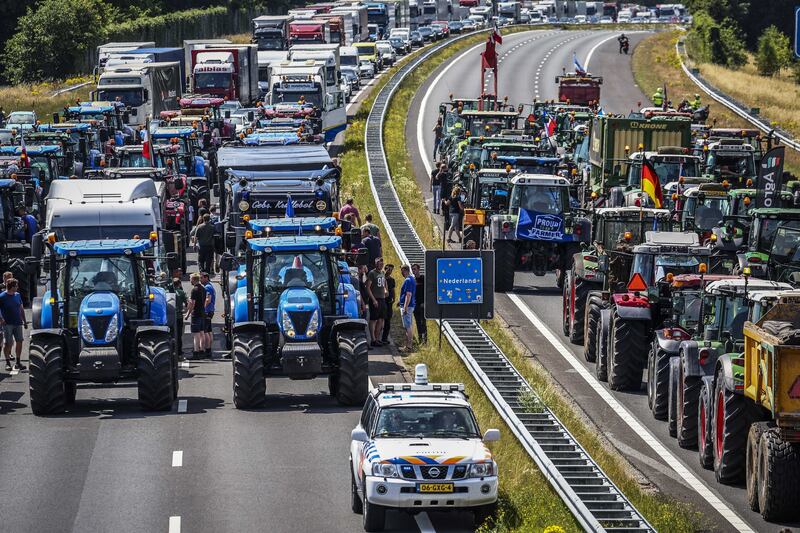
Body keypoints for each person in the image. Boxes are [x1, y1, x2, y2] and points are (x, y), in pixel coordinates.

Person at [0, 279, 27, 371]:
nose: (17, 287)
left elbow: (21, 308)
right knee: (8, 343)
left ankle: (18, 362)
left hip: (18, 322)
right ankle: (7, 363)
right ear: (11, 287)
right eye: (16, 286)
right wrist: (1, 319)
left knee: (19, 341)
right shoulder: (2, 296)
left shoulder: (17, 295)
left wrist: (25, 321)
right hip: (7, 324)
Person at [185, 273, 207, 359]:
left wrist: (187, 314)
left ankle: (196, 352)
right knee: (202, 333)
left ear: (193, 280)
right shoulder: (203, 289)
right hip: (202, 312)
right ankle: (202, 350)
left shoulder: (194, 290)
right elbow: (204, 301)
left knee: (196, 334)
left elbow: (192, 303)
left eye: (190, 279)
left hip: (196, 314)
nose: (190, 280)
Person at [366, 257, 386, 347]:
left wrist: (386, 290)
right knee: (373, 319)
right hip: (375, 298)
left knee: (381, 319)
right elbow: (368, 287)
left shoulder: (382, 273)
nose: (380, 265)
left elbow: (384, 284)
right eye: (379, 263)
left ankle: (377, 338)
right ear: (376, 263)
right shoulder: (372, 273)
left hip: (382, 298)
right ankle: (373, 339)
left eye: (382, 263)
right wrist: (373, 299)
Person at [167, 277, 187, 358]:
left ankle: (171, 351)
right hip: (179, 316)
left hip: (169, 316)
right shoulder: (181, 292)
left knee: (170, 334)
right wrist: (185, 311)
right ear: (179, 284)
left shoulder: (167, 292)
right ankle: (179, 352)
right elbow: (186, 303)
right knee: (179, 335)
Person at [398, 265, 416, 351]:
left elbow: (408, 295)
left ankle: (409, 346)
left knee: (407, 326)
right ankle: (408, 345)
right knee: (408, 325)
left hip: (407, 306)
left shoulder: (408, 280)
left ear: (405, 270)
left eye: (401, 270)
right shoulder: (412, 279)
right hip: (410, 305)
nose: (401, 272)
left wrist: (405, 307)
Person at [411, 264, 427, 344]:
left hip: (422, 304)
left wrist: (425, 302)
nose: (414, 271)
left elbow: (427, 292)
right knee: (417, 322)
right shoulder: (413, 280)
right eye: (412, 269)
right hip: (415, 305)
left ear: (418, 269)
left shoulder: (423, 279)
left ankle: (425, 340)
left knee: (423, 322)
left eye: (415, 269)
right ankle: (420, 339)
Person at [202, 272, 215, 359]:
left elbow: (208, 299)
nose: (200, 279)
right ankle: (209, 350)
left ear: (206, 278)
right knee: (209, 331)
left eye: (201, 278)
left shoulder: (207, 287)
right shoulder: (210, 286)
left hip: (207, 311)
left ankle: (207, 350)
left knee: (205, 332)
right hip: (210, 310)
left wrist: (202, 308)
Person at [382, 263, 395, 344]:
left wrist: (394, 298)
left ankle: (384, 338)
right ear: (385, 269)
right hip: (382, 300)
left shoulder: (392, 280)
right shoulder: (381, 278)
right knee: (380, 319)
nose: (390, 271)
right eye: (388, 269)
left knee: (388, 320)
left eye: (391, 270)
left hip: (389, 301)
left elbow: (393, 290)